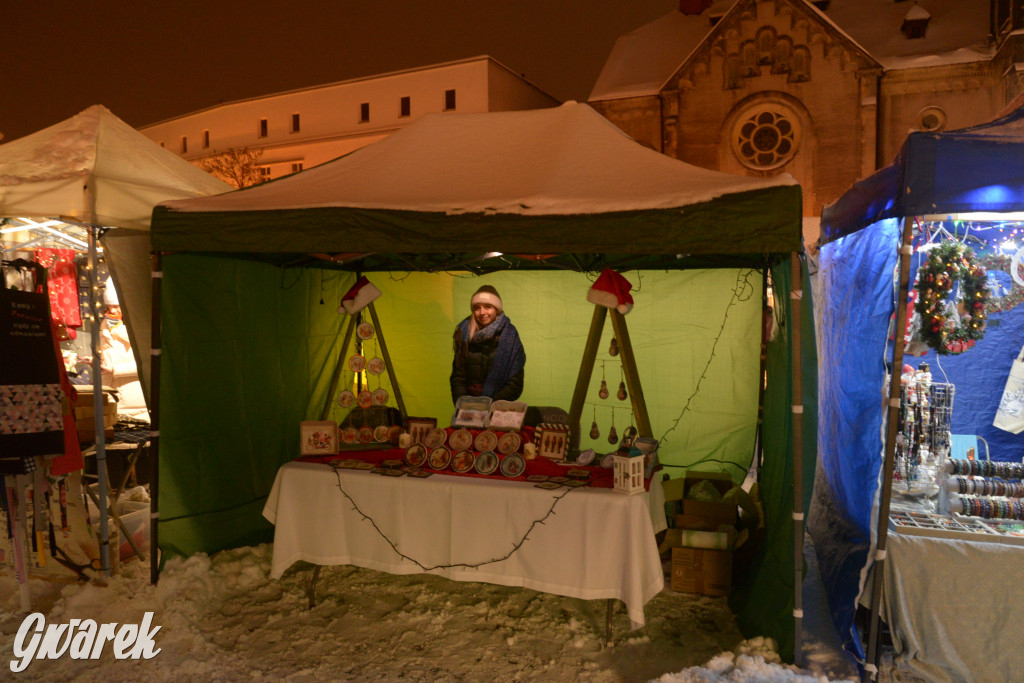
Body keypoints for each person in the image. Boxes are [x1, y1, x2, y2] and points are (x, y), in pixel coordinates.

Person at [450, 285, 525, 403]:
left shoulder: (510, 336)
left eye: (488, 307)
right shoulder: (464, 333)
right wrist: (463, 403)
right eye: (477, 308)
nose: (482, 312)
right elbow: (458, 378)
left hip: (498, 407)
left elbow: (515, 382)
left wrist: (492, 403)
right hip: (469, 407)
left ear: (497, 309)